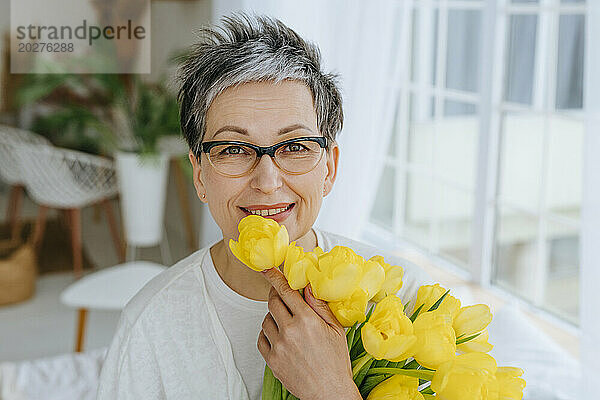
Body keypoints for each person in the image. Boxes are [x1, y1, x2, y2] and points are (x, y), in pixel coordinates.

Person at [97, 13, 431, 400]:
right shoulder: (150, 325)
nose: (268, 182)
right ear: (200, 175)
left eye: (294, 147)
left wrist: (332, 390)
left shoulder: (404, 302)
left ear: (329, 168)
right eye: (234, 149)